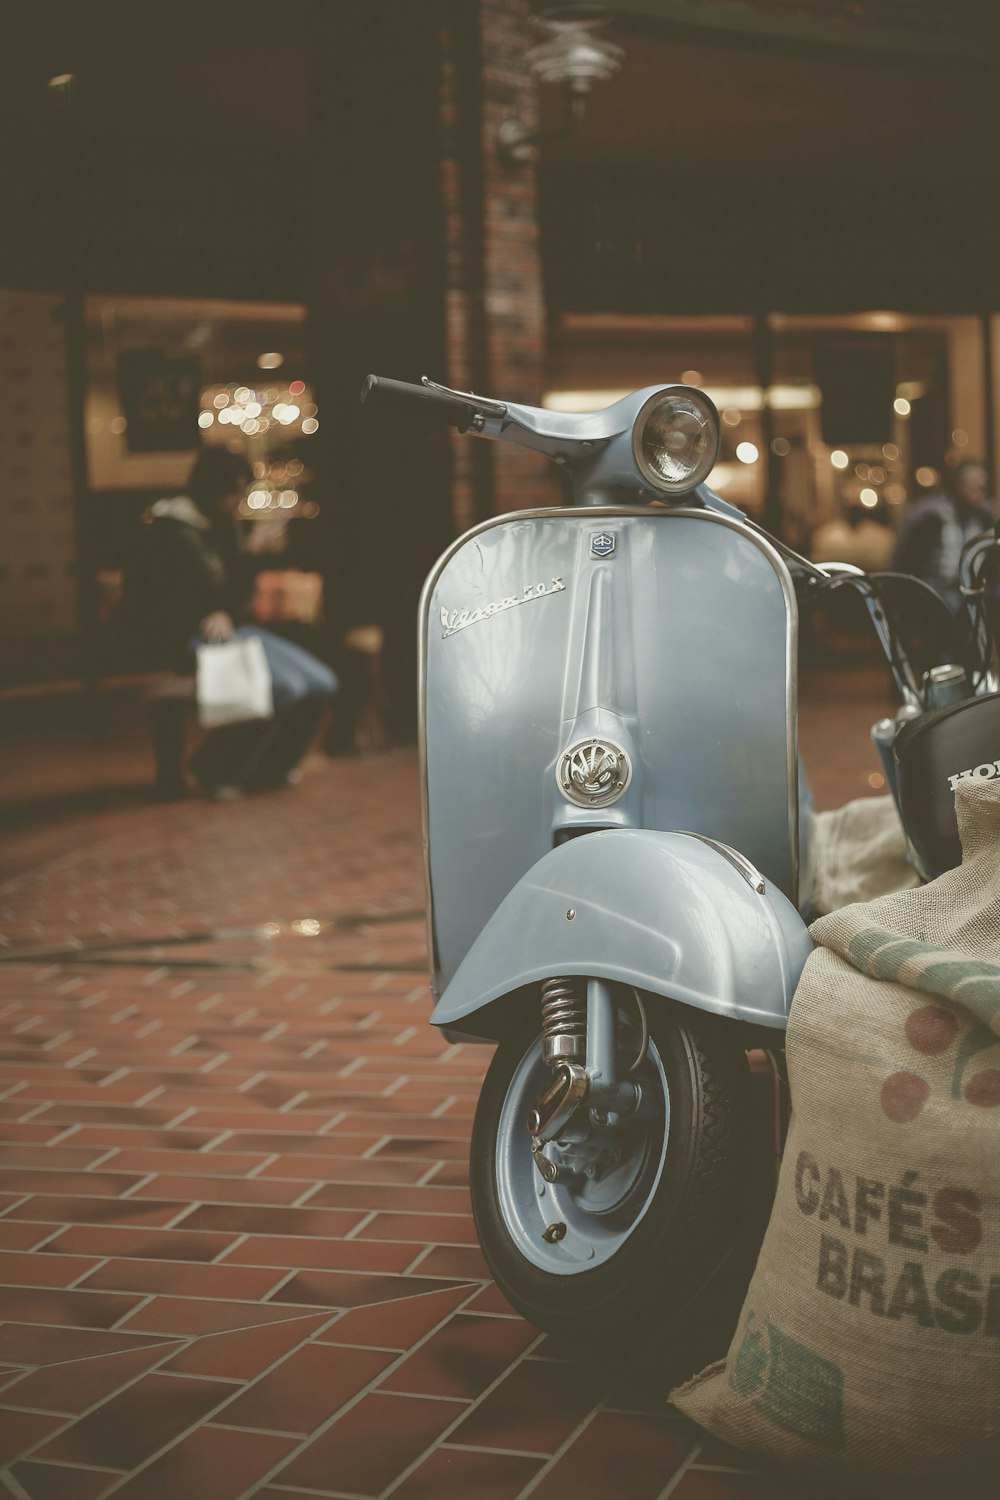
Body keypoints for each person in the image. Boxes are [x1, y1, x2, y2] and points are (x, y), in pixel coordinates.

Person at [125, 447, 337, 799]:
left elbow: (236, 598)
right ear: (211, 488)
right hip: (185, 635)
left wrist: (229, 603)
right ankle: (217, 768)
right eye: (233, 491)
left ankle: (274, 766)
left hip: (232, 627)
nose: (236, 500)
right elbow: (209, 589)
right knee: (288, 688)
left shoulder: (221, 521)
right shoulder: (175, 529)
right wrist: (251, 554)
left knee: (322, 682)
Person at [890, 460, 994, 612]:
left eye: (982, 488)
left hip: (973, 588)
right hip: (934, 588)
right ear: (957, 485)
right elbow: (904, 562)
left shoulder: (984, 515)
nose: (980, 493)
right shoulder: (928, 516)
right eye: (973, 487)